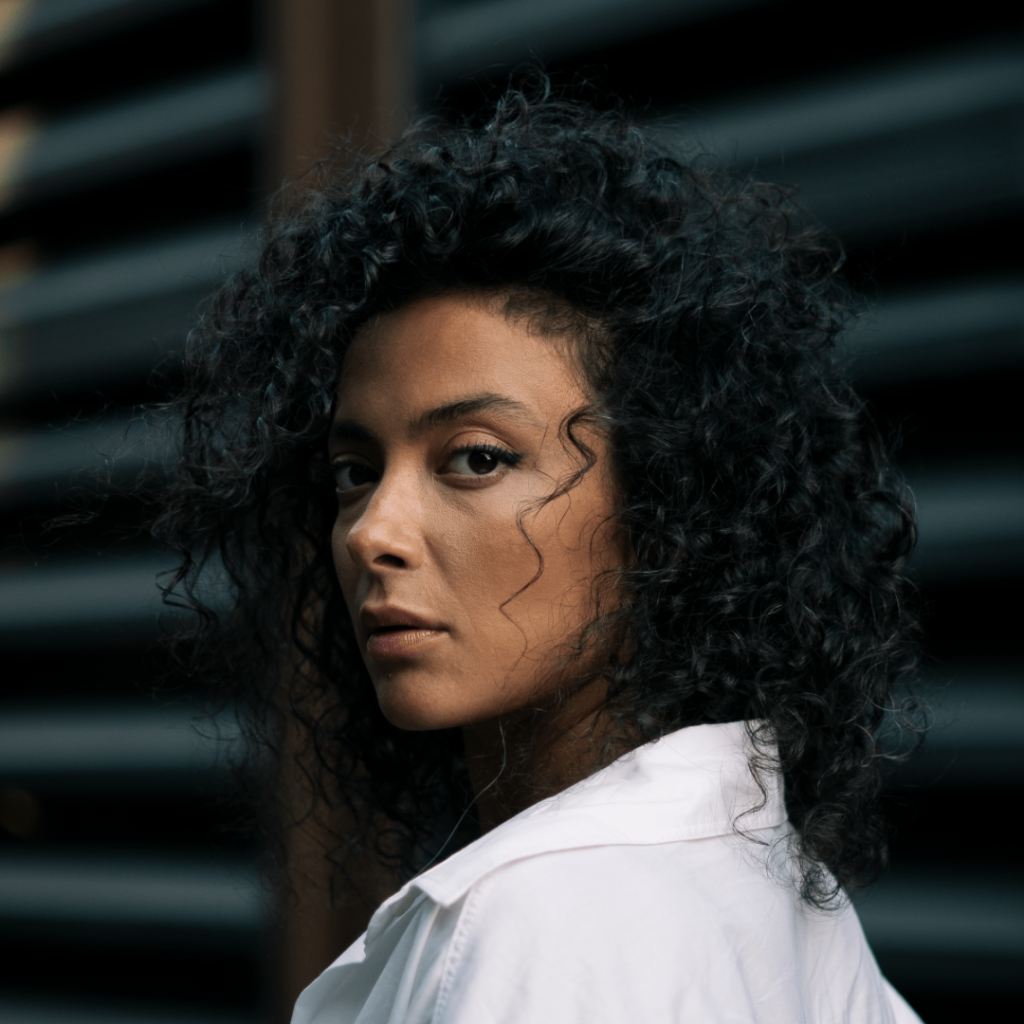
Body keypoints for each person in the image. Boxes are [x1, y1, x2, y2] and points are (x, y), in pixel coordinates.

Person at [157, 81, 924, 1022]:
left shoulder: (554, 926)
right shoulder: (768, 888)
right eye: (354, 471)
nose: (372, 532)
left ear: (668, 506)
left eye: (476, 458)